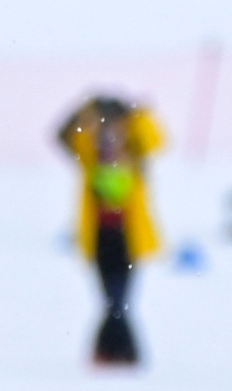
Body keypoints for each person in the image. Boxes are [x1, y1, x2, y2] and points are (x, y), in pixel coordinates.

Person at [57, 95, 163, 367]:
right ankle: (119, 353)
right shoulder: (91, 157)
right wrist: (84, 111)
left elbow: (155, 139)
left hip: (128, 238)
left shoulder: (135, 155)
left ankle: (115, 352)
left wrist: (136, 114)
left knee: (119, 300)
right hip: (101, 238)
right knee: (111, 300)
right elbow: (64, 136)